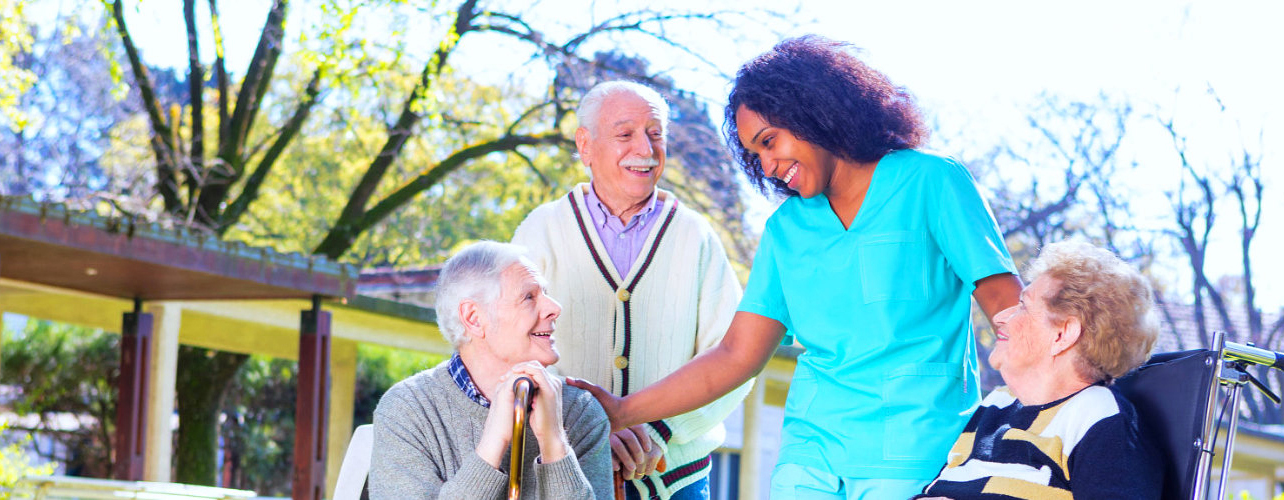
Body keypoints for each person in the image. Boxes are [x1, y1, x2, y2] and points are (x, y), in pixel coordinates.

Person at [571, 35, 1024, 499]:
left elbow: (1007, 308)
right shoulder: (787, 229)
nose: (766, 167)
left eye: (769, 142)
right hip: (810, 455)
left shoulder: (930, 180)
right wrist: (623, 411)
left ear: (815, 111)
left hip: (916, 446)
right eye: (755, 155)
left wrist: (1058, 407)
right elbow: (735, 355)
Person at [511, 80, 749, 500]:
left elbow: (735, 357)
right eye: (625, 134)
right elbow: (508, 351)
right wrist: (580, 424)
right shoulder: (540, 230)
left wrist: (658, 430)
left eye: (656, 134)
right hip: (564, 471)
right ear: (585, 145)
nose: (645, 148)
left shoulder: (696, 236)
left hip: (677, 479)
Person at [916, 239, 1164, 499]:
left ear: (1063, 334)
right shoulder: (998, 404)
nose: (1000, 317)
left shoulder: (1098, 416)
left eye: (1023, 306)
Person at [371, 241, 613, 499]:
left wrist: (555, 444)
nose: (555, 308)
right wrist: (493, 442)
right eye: (529, 297)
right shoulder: (407, 410)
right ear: (474, 318)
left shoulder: (580, 411)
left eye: (545, 293)